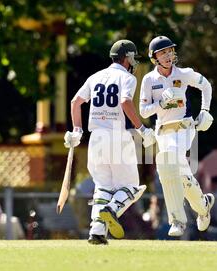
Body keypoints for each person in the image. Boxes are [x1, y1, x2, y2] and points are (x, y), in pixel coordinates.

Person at [65, 39, 156, 245]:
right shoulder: (127, 78)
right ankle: (111, 209)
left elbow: (75, 102)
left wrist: (77, 130)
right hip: (117, 135)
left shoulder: (95, 76)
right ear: (128, 58)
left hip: (96, 137)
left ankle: (97, 231)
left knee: (103, 187)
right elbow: (124, 102)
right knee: (131, 187)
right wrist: (141, 129)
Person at [139, 35, 215, 237]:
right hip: (163, 131)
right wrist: (160, 105)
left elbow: (205, 85)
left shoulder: (184, 74)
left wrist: (205, 110)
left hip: (184, 128)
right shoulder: (149, 80)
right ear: (154, 57)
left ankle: (177, 221)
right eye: (162, 53)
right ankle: (203, 205)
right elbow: (144, 111)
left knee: (168, 160)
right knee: (178, 173)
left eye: (170, 51)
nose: (167, 55)